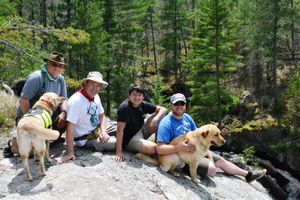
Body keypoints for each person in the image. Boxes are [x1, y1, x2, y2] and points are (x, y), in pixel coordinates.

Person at [156, 93, 267, 183]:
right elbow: (159, 149)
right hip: (183, 156)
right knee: (212, 170)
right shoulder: (166, 123)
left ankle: (248, 175)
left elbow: (200, 136)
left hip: (200, 148)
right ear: (171, 105)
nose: (179, 106)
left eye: (182, 103)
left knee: (221, 161)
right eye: (176, 104)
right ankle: (182, 170)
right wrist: (179, 148)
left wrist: (209, 156)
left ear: (185, 105)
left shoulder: (187, 117)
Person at [3, 52, 68, 158]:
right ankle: (13, 144)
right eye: (54, 64)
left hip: (47, 116)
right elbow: (23, 101)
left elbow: (64, 99)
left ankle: (49, 139)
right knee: (33, 153)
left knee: (68, 115)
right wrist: (31, 120)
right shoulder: (36, 78)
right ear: (47, 63)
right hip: (30, 116)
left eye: (60, 65)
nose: (57, 68)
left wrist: (64, 113)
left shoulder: (60, 79)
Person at [58, 71, 116, 163]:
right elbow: (70, 127)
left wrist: (104, 131)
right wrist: (70, 152)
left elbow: (102, 115)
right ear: (85, 84)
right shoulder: (76, 101)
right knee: (117, 143)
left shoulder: (96, 96)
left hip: (97, 130)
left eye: (98, 85)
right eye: (92, 84)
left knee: (125, 130)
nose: (95, 88)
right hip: (85, 139)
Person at [114, 84, 167, 162]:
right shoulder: (124, 108)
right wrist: (118, 152)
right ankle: (142, 151)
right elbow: (119, 130)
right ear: (129, 96)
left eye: (139, 95)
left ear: (143, 97)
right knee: (154, 149)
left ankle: (160, 142)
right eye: (134, 95)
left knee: (161, 116)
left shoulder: (143, 104)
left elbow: (164, 109)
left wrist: (156, 119)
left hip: (140, 129)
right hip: (130, 138)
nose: (137, 98)